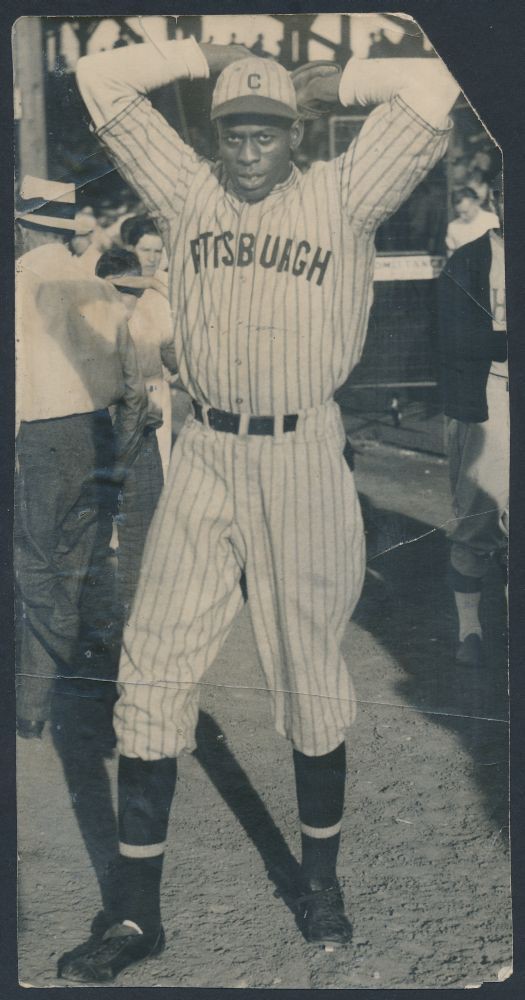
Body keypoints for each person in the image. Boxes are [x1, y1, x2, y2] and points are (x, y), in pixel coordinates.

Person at [59, 41, 459, 981]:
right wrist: (203, 52)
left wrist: (342, 79)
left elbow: (441, 80)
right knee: (151, 671)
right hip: (205, 451)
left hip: (302, 456)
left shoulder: (345, 191)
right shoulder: (187, 190)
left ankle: (319, 882)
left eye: (266, 130)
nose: (247, 146)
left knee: (306, 673)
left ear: (294, 134)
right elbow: (98, 80)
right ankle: (134, 917)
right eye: (233, 128)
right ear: (215, 132)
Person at [15, 176, 149, 740]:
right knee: (71, 561)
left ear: (21, 228)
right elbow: (135, 390)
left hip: (40, 436)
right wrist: (118, 450)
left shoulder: (22, 284)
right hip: (97, 434)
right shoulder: (98, 287)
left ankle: (60, 652)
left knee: (30, 562)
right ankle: (34, 704)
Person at [437, 171, 508, 667]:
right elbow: (455, 339)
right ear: (494, 198)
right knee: (477, 521)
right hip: (491, 396)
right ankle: (470, 630)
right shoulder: (469, 259)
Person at [95, 248, 177, 621]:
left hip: (142, 430)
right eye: (125, 291)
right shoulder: (87, 319)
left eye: (137, 292)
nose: (131, 301)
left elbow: (176, 359)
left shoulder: (153, 312)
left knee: (143, 532)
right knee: (99, 537)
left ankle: (138, 619)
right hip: (102, 433)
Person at [445, 185, 499, 253]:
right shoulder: (453, 226)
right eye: (458, 213)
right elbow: (451, 253)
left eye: (465, 212)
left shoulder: (492, 221)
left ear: (475, 203)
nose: (462, 216)